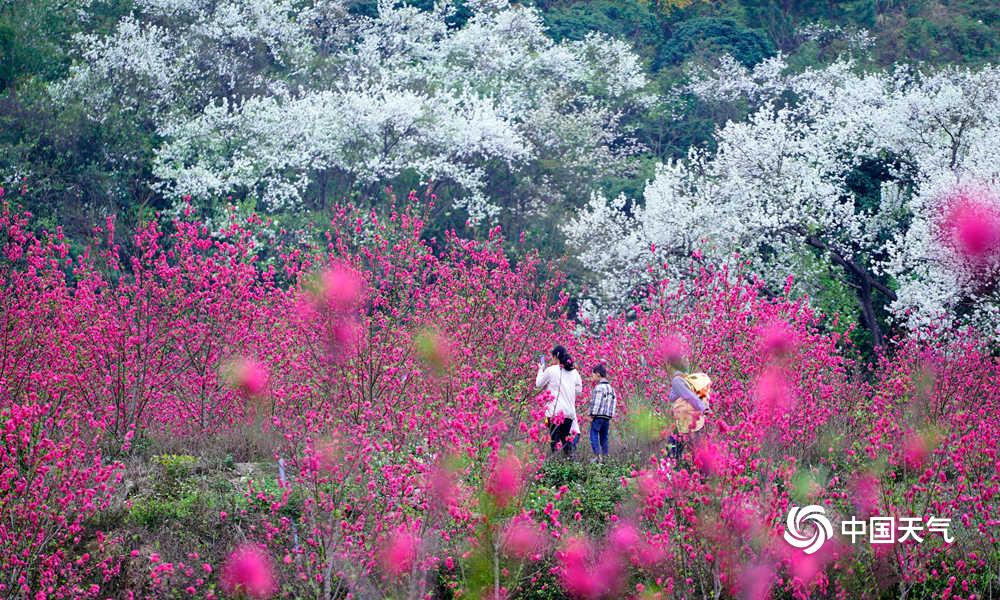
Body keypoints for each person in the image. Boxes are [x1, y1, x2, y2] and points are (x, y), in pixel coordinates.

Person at [535, 345, 582, 457]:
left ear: (556, 357)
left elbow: (538, 384)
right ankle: (570, 464)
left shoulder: (551, 370)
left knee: (554, 441)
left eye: (552, 358)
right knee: (566, 441)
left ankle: (555, 465)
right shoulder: (574, 372)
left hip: (554, 412)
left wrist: (540, 369)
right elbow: (579, 390)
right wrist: (568, 390)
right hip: (568, 413)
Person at [667, 369, 712, 460]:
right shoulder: (692, 383)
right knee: (695, 448)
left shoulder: (677, 381)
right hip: (693, 421)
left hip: (684, 421)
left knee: (674, 449)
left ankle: (672, 466)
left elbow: (690, 397)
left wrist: (703, 408)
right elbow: (701, 396)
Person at [588, 364, 616, 462]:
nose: (592, 377)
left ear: (598, 374)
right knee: (604, 437)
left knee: (593, 434)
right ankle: (605, 456)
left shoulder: (599, 388)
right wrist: (610, 415)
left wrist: (592, 415)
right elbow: (614, 403)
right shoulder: (611, 388)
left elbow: (596, 403)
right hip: (607, 417)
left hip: (598, 416)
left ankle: (597, 456)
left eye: (593, 375)